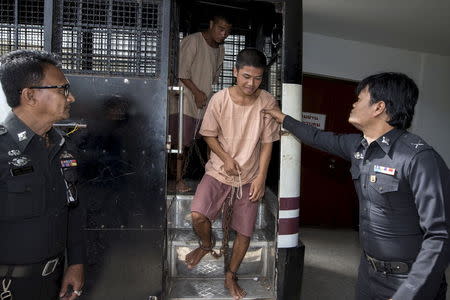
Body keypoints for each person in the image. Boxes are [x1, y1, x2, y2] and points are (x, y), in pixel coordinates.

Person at [264, 72, 450, 300]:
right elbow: (315, 135)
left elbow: (440, 235)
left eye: (360, 98)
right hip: (368, 272)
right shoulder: (358, 146)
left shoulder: (418, 158)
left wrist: (409, 292)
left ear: (378, 107)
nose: (353, 103)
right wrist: (282, 117)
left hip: (408, 281)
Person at [184, 48, 280, 299]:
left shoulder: (268, 102)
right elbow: (208, 134)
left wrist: (261, 177)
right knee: (197, 215)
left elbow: (268, 142)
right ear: (235, 72)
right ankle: (206, 244)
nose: (251, 83)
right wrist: (225, 158)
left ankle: (231, 274)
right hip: (218, 170)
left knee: (245, 232)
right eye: (246, 76)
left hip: (249, 176)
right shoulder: (219, 99)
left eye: (258, 78)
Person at [0, 50, 85, 299]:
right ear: (30, 95)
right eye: (62, 90)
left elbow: (73, 209)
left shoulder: (62, 147)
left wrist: (75, 263)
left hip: (53, 283)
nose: (71, 98)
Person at [169, 15, 232, 192]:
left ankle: (212, 181)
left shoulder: (221, 50)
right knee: (181, 143)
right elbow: (181, 72)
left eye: (227, 31)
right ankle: (177, 180)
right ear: (211, 24)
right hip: (185, 98)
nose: (224, 34)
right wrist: (196, 92)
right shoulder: (193, 41)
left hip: (204, 99)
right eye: (221, 28)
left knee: (211, 139)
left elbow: (213, 77)